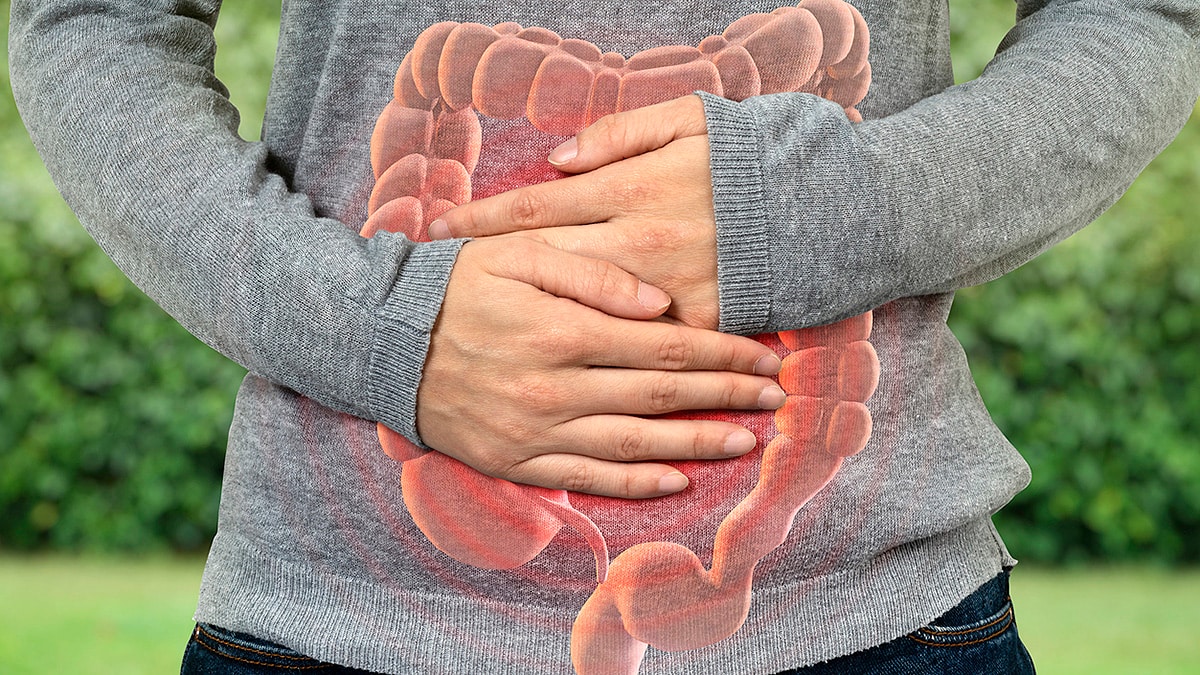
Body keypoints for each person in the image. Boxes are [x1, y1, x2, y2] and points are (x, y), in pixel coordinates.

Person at [9, 0, 1198, 673]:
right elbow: (94, 25)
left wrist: (818, 211)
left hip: (880, 623)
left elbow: (1138, 14)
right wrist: (383, 334)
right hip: (336, 625)